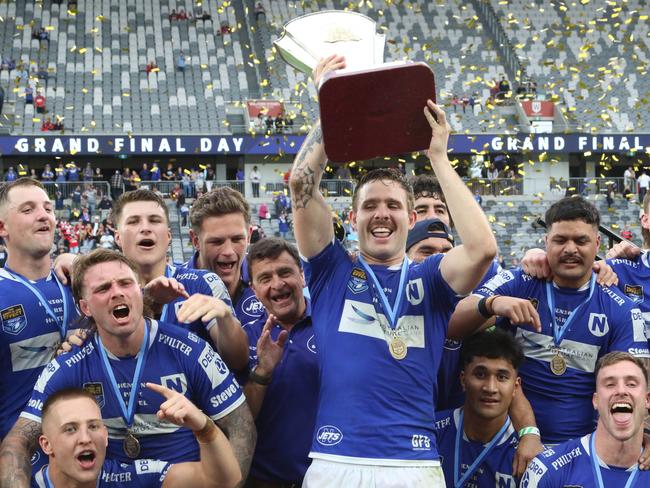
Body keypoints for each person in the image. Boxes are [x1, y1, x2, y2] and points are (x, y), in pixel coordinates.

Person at [289, 54, 497, 486]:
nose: (381, 214)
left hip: (414, 465)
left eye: (392, 206)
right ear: (353, 216)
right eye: (370, 205)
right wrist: (333, 107)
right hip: (335, 460)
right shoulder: (332, 272)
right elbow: (301, 185)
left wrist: (439, 157)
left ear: (409, 217)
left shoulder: (432, 280)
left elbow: (481, 249)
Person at [0, 249, 256, 487]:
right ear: (85, 307)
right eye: (103, 288)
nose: (117, 292)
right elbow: (18, 443)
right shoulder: (69, 365)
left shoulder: (190, 350)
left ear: (140, 292)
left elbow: (242, 426)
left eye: (125, 283)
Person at [449, 196, 650, 444]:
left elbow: (632, 384)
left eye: (581, 240)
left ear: (597, 244)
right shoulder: (520, 282)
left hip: (579, 447)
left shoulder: (621, 309)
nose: (570, 249)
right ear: (546, 242)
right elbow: (453, 325)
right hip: (508, 441)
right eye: (560, 240)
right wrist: (493, 304)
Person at [0, 178, 80, 444]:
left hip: (90, 448)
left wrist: (81, 262)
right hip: (22, 453)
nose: (43, 215)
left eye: (47, 208)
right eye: (28, 209)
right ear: (2, 227)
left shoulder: (82, 281)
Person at [33, 387, 241, 488]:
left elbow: (222, 481)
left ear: (105, 436)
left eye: (94, 426)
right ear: (46, 444)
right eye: (70, 429)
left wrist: (204, 428)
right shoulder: (23, 484)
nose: (85, 438)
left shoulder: (126, 479)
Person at [242, 238, 318, 486]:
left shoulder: (333, 324)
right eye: (265, 278)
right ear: (254, 290)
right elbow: (239, 424)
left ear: (302, 276)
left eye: (285, 272)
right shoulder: (242, 339)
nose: (277, 284)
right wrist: (262, 372)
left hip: (332, 478)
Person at [522, 352, 650, 487]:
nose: (621, 390)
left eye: (631, 384)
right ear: (596, 400)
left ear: (647, 400)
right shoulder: (548, 470)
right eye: (610, 384)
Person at [434, 329, 523, 487]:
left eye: (502, 377)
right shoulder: (431, 432)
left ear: (515, 387)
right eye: (480, 375)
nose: (490, 388)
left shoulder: (524, 455)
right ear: (463, 380)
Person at [185, 187, 266, 325]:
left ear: (249, 236)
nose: (228, 251)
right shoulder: (172, 290)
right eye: (217, 241)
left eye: (237, 239)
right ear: (196, 241)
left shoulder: (272, 286)